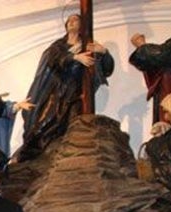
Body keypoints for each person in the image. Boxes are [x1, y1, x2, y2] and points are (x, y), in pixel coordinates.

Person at [13, 14, 114, 163]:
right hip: (56, 94)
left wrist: (104, 52)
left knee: (73, 127)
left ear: (82, 25)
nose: (72, 22)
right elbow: (53, 58)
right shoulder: (59, 46)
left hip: (76, 96)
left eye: (76, 19)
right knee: (41, 126)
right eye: (69, 20)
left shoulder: (89, 45)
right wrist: (74, 57)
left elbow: (107, 70)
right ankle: (25, 158)